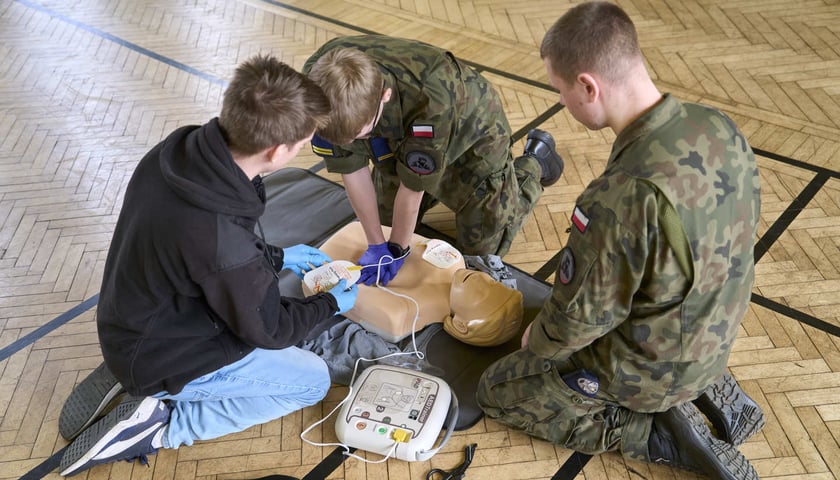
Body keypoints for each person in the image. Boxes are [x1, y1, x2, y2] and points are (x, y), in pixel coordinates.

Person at [476, 3, 764, 480]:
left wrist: (538, 341)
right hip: (717, 328)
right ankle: (702, 384)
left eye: (561, 90)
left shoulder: (621, 197)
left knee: (499, 389)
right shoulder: (715, 125)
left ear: (588, 86)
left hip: (658, 365)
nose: (563, 102)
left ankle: (655, 433)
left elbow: (576, 323)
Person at [57, 54, 359, 477]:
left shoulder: (178, 151)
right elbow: (269, 329)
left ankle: (136, 368)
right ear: (276, 150)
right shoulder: (223, 244)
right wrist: (329, 305)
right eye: (304, 141)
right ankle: (159, 426)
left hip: (132, 319)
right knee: (312, 381)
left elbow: (196, 255)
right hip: (167, 354)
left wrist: (277, 257)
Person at [302, 35, 565, 287]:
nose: (349, 145)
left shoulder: (431, 97)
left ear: (384, 95)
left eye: (360, 135)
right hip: (401, 136)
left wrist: (397, 249)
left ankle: (536, 161)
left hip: (472, 135)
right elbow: (352, 168)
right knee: (385, 222)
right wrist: (376, 243)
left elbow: (411, 189)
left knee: (480, 251)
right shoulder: (318, 87)